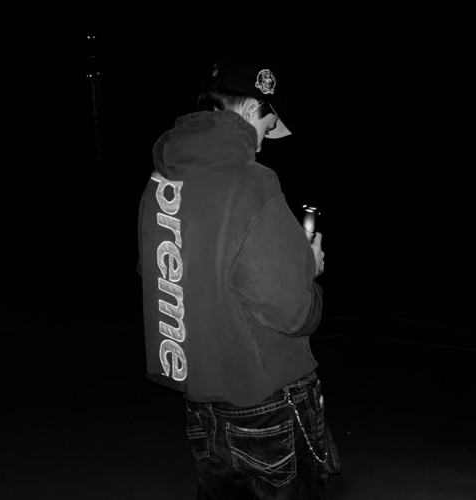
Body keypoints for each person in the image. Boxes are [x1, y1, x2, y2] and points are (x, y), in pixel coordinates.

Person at [137, 57, 340, 499]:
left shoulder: (160, 182)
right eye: (268, 125)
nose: (264, 143)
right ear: (251, 108)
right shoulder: (252, 183)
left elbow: (178, 279)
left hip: (202, 406)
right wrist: (310, 270)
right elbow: (293, 312)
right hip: (268, 404)